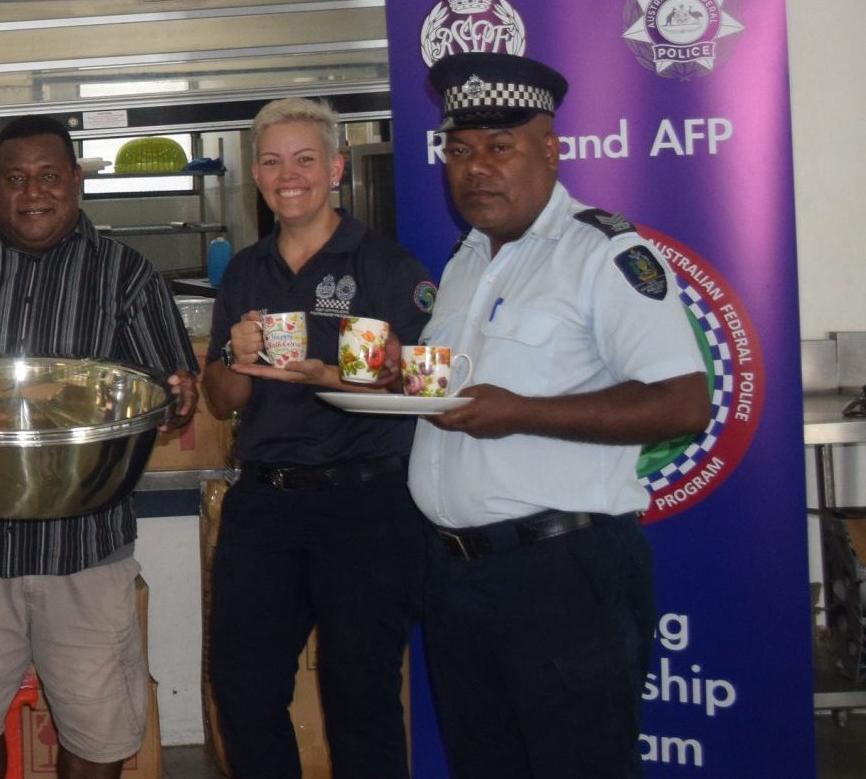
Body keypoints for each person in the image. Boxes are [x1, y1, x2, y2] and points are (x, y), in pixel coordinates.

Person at [410, 52, 708, 778]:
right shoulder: (466, 261)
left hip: (561, 576)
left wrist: (522, 414)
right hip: (456, 576)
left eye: (500, 147)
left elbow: (682, 402)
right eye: (459, 149)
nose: (475, 167)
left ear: (551, 150)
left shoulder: (602, 254)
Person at [0, 114, 197, 779]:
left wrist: (181, 397)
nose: (33, 193)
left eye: (49, 177)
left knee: (99, 731)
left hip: (84, 551)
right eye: (15, 179)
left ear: (76, 182)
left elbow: (167, 399)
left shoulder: (127, 277)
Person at [197, 99, 432, 779]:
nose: (287, 175)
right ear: (255, 174)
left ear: (335, 168)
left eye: (304, 159)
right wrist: (233, 362)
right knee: (242, 690)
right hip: (265, 503)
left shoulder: (388, 266)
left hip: (366, 505)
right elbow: (221, 399)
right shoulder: (244, 271)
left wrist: (346, 373)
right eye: (271, 161)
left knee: (360, 699)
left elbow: (423, 385)